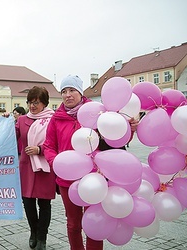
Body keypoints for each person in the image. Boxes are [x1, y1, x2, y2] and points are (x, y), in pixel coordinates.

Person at [43, 75, 138, 250]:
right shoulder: (56, 118)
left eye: (72, 90)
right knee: (73, 224)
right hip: (67, 180)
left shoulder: (96, 112)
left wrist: (129, 130)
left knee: (95, 224)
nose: (68, 95)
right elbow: (49, 145)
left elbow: (113, 138)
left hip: (94, 179)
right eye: (64, 91)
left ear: (80, 92)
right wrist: (56, 163)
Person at [12, 87, 56, 250]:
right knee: (28, 202)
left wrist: (40, 149)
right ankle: (34, 231)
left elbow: (55, 142)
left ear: (44, 103)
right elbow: (10, 135)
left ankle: (42, 238)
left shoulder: (53, 119)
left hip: (45, 167)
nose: (32, 106)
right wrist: (3, 123)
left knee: (44, 204)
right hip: (26, 167)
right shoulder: (22, 120)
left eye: (36, 102)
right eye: (30, 102)